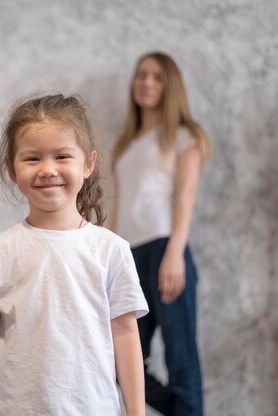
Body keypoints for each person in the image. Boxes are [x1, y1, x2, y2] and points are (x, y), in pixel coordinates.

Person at [0, 94, 149, 415]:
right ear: (12, 169)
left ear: (88, 164)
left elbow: (126, 336)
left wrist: (136, 413)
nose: (47, 169)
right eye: (32, 159)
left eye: (61, 156)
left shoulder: (111, 249)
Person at [111, 52, 212, 416]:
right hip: (129, 256)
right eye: (141, 75)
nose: (147, 83)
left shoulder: (185, 135)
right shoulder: (127, 144)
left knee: (180, 356)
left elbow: (185, 198)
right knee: (121, 361)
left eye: (156, 77)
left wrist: (174, 253)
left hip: (165, 248)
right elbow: (121, 209)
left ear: (170, 86)